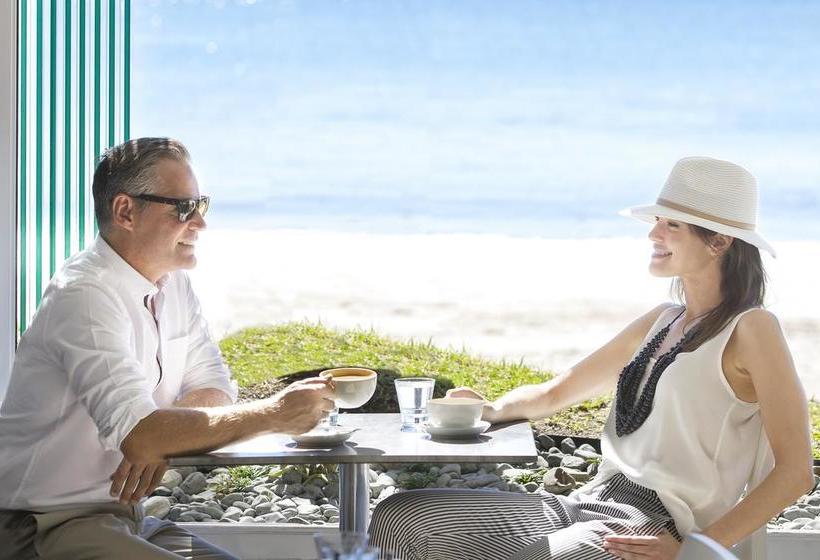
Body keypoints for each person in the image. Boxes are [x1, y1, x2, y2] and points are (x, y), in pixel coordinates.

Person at [368, 157, 815, 560]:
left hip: (654, 527)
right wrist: (491, 409)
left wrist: (695, 551)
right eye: (658, 220)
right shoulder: (662, 320)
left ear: (718, 242)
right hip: (590, 500)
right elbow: (558, 390)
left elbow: (795, 472)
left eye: (671, 225)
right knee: (400, 516)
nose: (653, 234)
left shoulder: (752, 328)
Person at [0, 137, 335, 559]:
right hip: (45, 525)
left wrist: (163, 436)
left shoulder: (173, 283)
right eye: (182, 208)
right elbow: (142, 436)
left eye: (201, 205)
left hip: (128, 518)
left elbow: (213, 386)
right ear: (125, 211)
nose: (199, 223)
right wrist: (273, 414)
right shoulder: (83, 296)